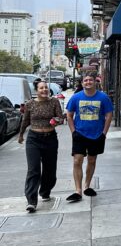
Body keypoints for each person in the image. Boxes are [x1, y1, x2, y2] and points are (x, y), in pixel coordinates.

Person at [65, 72, 113, 202]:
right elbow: (69, 115)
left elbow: (109, 115)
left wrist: (104, 133)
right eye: (85, 80)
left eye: (90, 80)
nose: (88, 82)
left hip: (97, 134)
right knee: (77, 161)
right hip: (79, 134)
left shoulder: (103, 98)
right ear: (82, 83)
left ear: (95, 82)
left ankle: (87, 186)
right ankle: (78, 191)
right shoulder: (76, 97)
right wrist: (73, 131)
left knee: (92, 160)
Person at [18, 80, 64, 213]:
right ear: (36, 90)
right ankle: (31, 201)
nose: (44, 90)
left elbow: (60, 118)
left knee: (50, 169)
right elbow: (26, 120)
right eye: (41, 88)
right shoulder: (30, 104)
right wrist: (21, 135)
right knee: (34, 170)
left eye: (46, 88)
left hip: (50, 139)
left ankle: (45, 191)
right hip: (33, 139)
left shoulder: (54, 102)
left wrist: (56, 121)